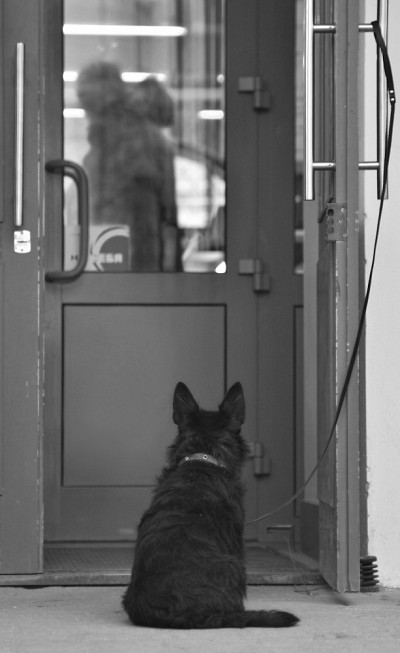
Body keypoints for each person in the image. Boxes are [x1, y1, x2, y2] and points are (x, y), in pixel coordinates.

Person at [76, 61, 181, 271]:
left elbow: (115, 210)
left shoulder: (125, 139)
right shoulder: (127, 136)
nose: (84, 110)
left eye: (86, 101)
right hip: (121, 255)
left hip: (128, 260)